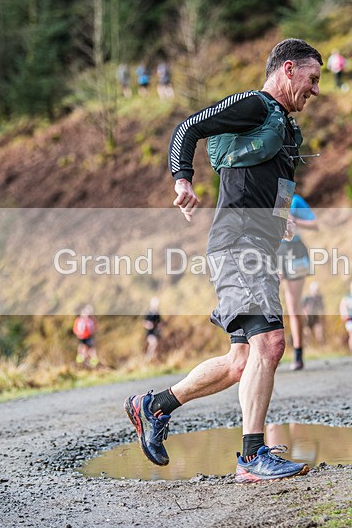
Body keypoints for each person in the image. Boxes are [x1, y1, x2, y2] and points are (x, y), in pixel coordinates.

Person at [124, 39, 323, 484]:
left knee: (240, 361)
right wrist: (182, 181)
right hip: (238, 243)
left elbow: (280, 186)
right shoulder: (255, 105)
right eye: (311, 80)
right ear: (287, 70)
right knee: (270, 344)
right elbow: (187, 128)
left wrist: (281, 219)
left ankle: (153, 406)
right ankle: (252, 458)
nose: (315, 90)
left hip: (259, 246)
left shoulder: (286, 129)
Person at [277, 193, 318, 371]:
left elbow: (315, 224)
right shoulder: (264, 196)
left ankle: (298, 353)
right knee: (268, 303)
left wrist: (294, 219)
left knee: (294, 306)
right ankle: (268, 351)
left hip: (296, 251)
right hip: (274, 251)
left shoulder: (294, 200)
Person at [142, 297, 163, 362]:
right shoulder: (149, 313)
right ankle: (148, 358)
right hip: (150, 333)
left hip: (156, 333)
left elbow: (160, 323)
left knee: (156, 346)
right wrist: (149, 325)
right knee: (153, 343)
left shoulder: (157, 314)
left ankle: (153, 360)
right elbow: (144, 322)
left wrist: (160, 327)